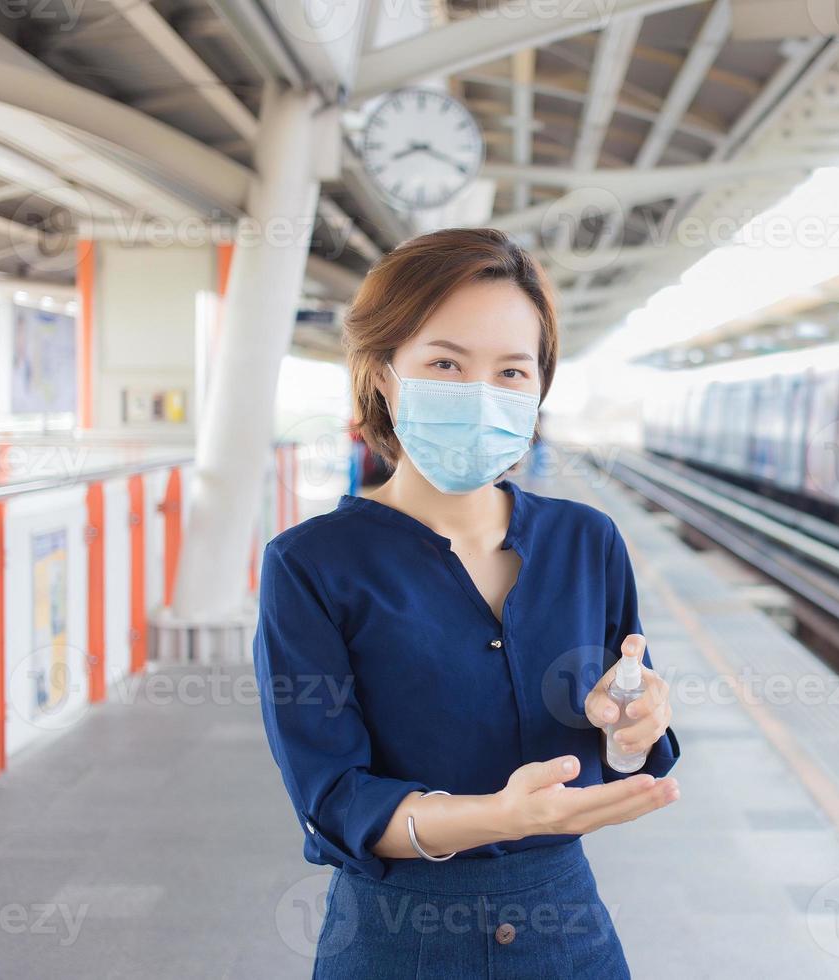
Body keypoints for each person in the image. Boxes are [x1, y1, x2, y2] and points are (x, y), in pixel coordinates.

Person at [253, 228, 680, 979]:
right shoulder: (311, 564)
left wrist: (633, 730)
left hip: (569, 932)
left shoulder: (589, 542)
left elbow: (620, 748)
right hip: (395, 939)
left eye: (512, 371)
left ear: (539, 386)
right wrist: (500, 817)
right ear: (385, 373)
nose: (481, 395)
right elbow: (335, 799)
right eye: (446, 363)